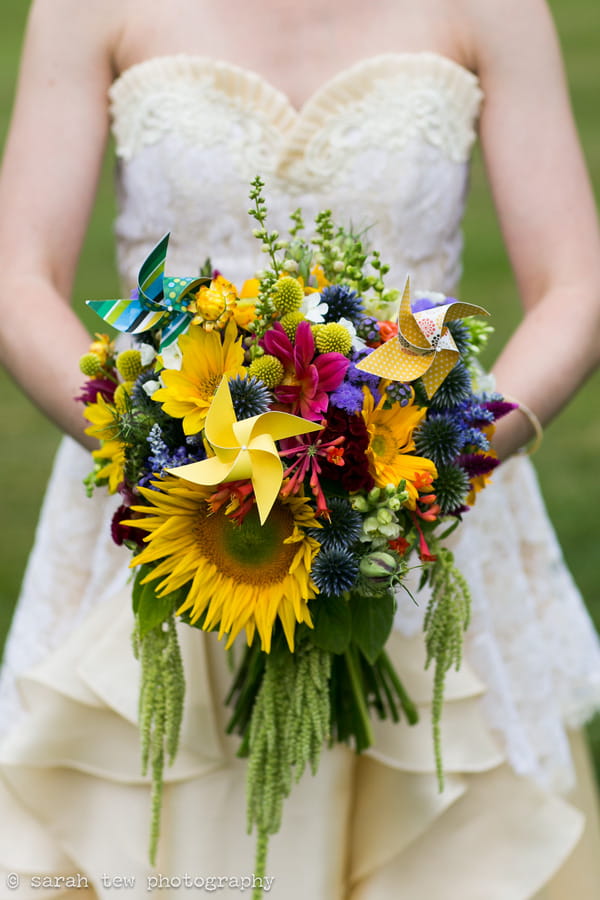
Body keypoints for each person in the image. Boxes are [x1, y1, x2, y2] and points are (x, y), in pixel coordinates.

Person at [1, 0, 600, 897]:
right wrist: (163, 459)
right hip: (164, 512)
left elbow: (576, 284)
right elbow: (17, 276)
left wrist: (441, 462)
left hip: (424, 510)